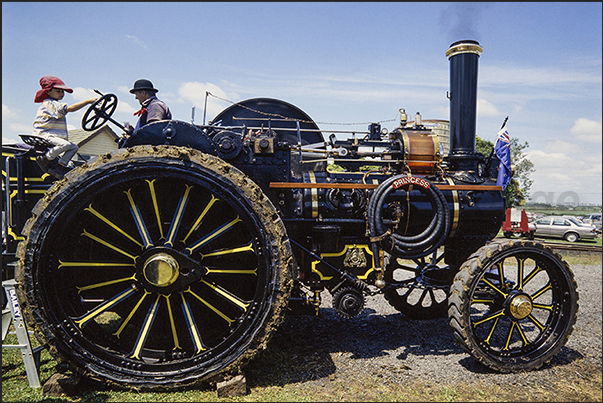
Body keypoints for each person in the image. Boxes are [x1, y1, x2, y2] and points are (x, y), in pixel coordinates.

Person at [33, 76, 97, 179]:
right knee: (66, 145)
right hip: (44, 134)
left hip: (51, 135)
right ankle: (45, 160)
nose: (61, 94)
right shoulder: (50, 103)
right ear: (48, 92)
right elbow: (69, 109)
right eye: (58, 91)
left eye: (63, 92)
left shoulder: (54, 104)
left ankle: (59, 167)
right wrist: (87, 101)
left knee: (74, 147)